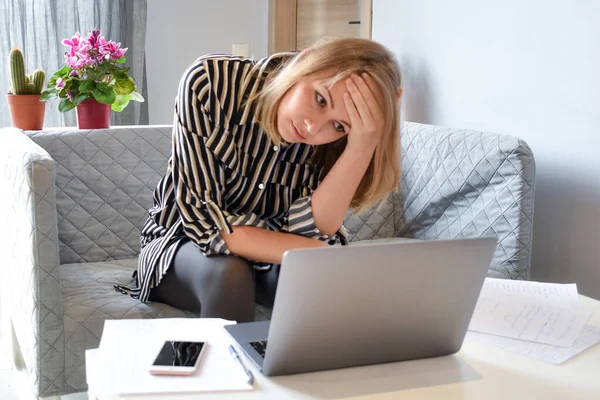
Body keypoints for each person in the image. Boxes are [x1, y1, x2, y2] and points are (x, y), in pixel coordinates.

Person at [116, 37, 403, 322]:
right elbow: (206, 224)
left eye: (339, 125)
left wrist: (361, 146)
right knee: (231, 274)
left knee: (320, 282)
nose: (313, 127)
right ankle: (223, 368)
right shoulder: (210, 83)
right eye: (319, 99)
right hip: (180, 244)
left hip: (274, 251)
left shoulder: (334, 141)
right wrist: (327, 257)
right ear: (305, 60)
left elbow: (313, 229)